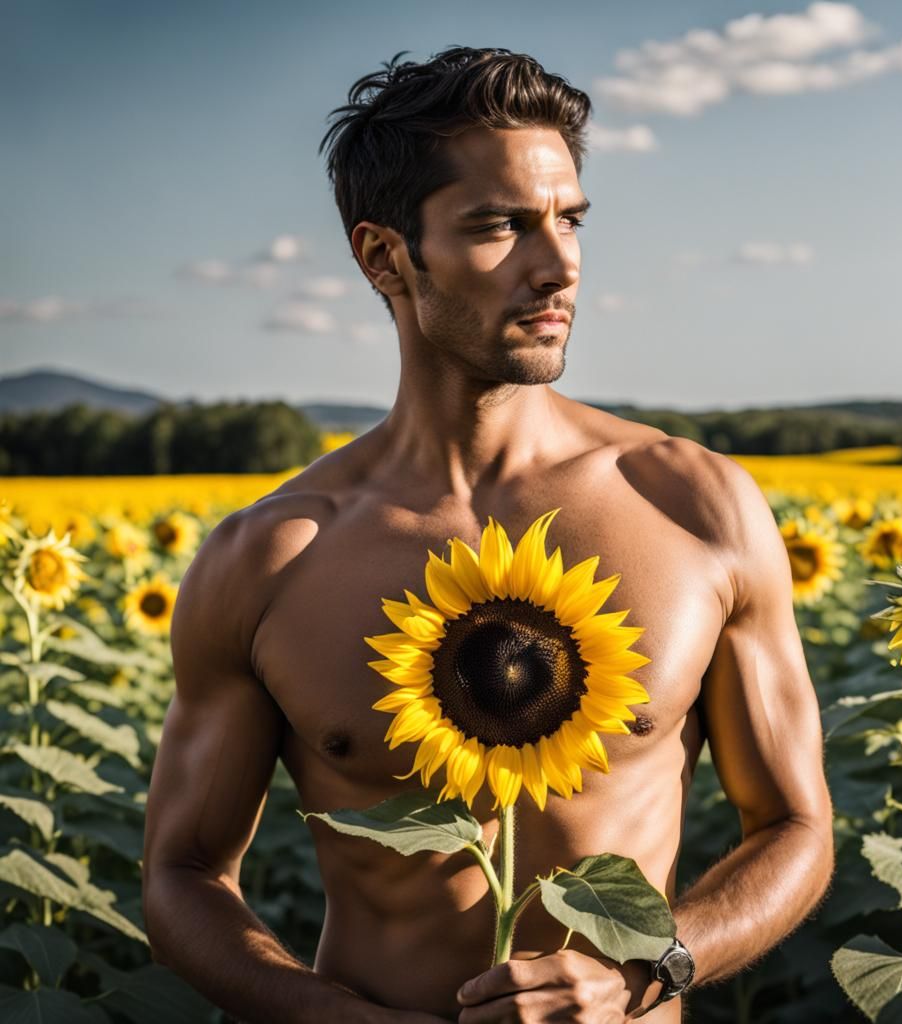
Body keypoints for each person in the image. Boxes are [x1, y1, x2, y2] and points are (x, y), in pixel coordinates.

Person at [141, 45, 835, 1024]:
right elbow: (182, 872)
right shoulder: (271, 559)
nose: (556, 264)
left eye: (569, 219)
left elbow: (796, 825)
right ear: (385, 256)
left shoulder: (692, 506)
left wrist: (646, 969)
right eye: (500, 226)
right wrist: (323, 1014)